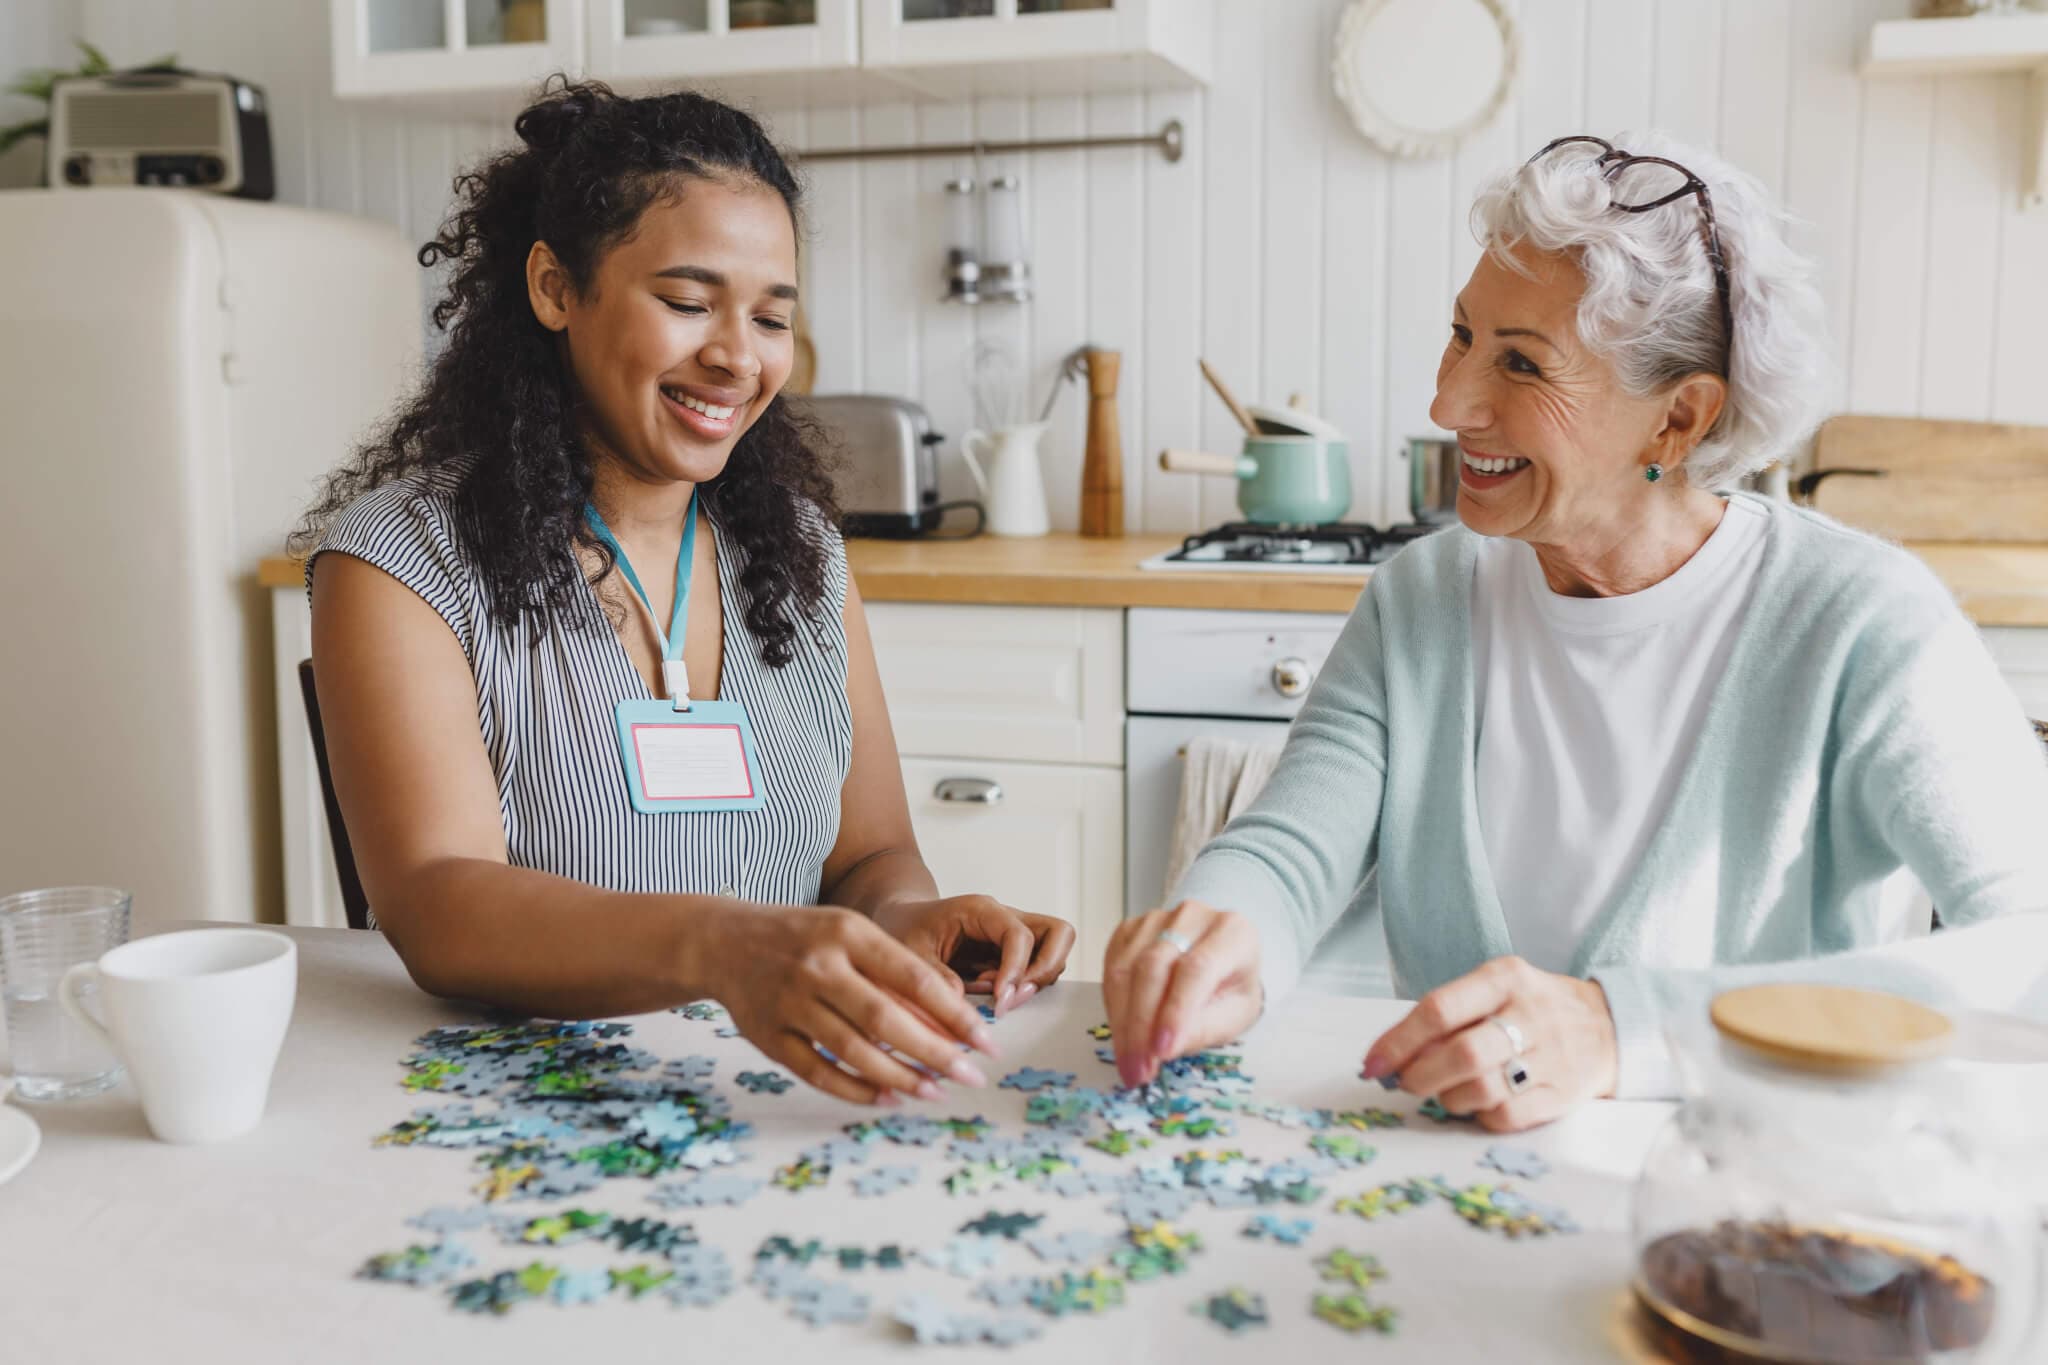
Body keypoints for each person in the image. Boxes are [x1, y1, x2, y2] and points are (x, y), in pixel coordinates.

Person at [1100, 132, 2048, 1130]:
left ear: (1676, 419)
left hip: (1737, 1204)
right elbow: (1291, 851)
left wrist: (1617, 1031)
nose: (1447, 400)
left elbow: (2030, 949)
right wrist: (1212, 932)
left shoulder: (1861, 621)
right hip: (1449, 1200)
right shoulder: (1421, 597)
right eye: (1461, 335)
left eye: (1519, 363)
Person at [296, 80, 1074, 1106]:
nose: (735, 357)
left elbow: (872, 857)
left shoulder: (798, 552)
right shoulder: (398, 561)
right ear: (553, 288)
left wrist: (903, 925)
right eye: (686, 301)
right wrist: (725, 947)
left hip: (788, 1110)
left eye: (769, 317)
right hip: (527, 1120)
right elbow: (441, 907)